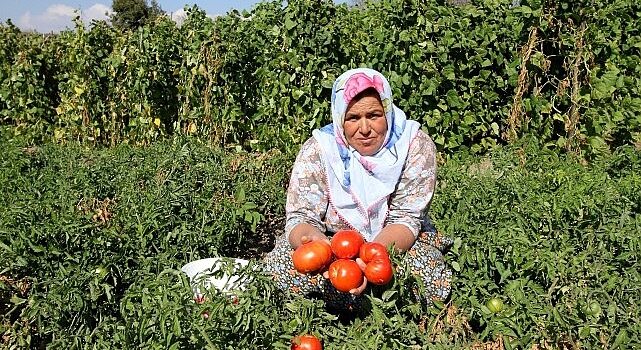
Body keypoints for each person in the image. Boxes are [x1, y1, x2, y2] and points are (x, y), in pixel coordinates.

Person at [263, 68, 452, 311]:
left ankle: (339, 304)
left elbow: (407, 218)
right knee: (280, 269)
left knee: (426, 276)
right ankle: (369, 304)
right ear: (340, 117)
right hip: (334, 246)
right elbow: (301, 215)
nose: (364, 129)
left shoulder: (414, 145)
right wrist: (316, 246)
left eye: (374, 115)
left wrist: (372, 258)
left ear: (387, 110)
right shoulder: (320, 149)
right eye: (353, 118)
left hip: (394, 244)